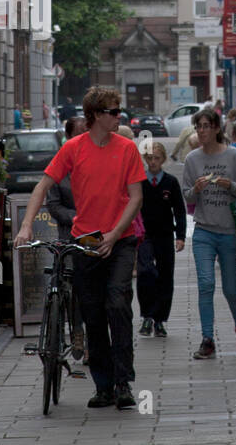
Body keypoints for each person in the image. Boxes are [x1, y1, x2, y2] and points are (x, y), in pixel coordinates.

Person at [17, 87, 145, 410]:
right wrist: (25, 225)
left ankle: (123, 381)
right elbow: (42, 186)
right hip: (85, 241)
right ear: (96, 116)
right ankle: (103, 385)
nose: (120, 117)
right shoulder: (74, 149)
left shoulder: (128, 149)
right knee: (93, 312)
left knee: (117, 301)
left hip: (120, 238)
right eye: (114, 112)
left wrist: (115, 235)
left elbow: (136, 197)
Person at [181, 108, 236, 359]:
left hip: (230, 231)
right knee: (206, 284)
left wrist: (229, 185)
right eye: (198, 127)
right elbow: (186, 195)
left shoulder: (233, 156)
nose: (201, 131)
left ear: (217, 129)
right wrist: (196, 189)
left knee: (231, 289)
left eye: (206, 126)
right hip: (203, 231)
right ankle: (207, 338)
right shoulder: (192, 159)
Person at [44, 116, 86, 359]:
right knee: (71, 285)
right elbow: (53, 204)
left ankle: (92, 336)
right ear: (68, 138)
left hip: (92, 237)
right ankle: (77, 331)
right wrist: (76, 217)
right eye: (77, 134)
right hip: (69, 236)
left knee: (92, 287)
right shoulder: (59, 166)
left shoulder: (94, 163)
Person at [137, 143, 185, 338]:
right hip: (145, 236)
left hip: (164, 235)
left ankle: (160, 320)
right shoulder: (140, 182)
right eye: (149, 158)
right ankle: (147, 315)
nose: (153, 162)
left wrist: (180, 236)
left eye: (157, 158)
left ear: (163, 159)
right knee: (146, 272)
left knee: (166, 276)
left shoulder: (170, 182)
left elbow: (179, 210)